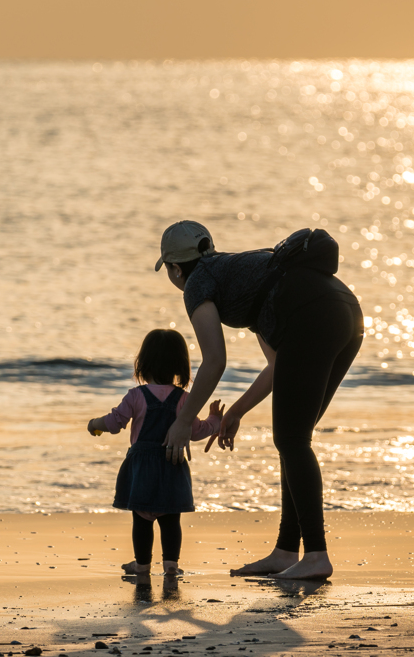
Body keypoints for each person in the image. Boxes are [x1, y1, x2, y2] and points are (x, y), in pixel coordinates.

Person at [155, 220, 363, 580]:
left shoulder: (197, 284)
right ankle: (286, 552)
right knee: (294, 439)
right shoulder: (241, 271)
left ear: (174, 269)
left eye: (170, 270)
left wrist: (184, 420)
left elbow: (215, 360)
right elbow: (278, 364)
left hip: (314, 316)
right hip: (346, 313)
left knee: (292, 440)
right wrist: (236, 411)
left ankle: (315, 554)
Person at [88, 328, 224, 576]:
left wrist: (94, 424)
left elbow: (115, 422)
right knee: (171, 520)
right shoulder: (184, 399)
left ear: (143, 363)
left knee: (141, 519)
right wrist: (215, 420)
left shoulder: (135, 396)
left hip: (141, 470)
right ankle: (171, 565)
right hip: (172, 467)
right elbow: (196, 431)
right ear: (180, 365)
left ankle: (142, 565)